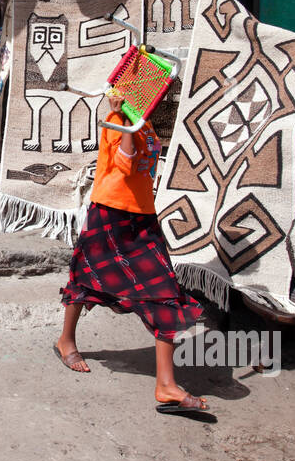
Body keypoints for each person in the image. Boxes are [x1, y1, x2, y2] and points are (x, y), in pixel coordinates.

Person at [53, 110, 210, 416]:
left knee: (165, 291)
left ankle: (166, 384)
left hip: (141, 218)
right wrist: (127, 119)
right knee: (85, 280)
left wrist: (138, 119)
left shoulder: (147, 122)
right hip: (109, 215)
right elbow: (124, 163)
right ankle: (66, 341)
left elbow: (147, 168)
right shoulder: (117, 118)